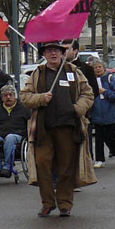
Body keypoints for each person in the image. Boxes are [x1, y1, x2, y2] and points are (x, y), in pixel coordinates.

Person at [20, 40, 95, 217]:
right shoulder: (38, 73)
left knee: (67, 166)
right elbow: (25, 96)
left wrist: (77, 108)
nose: (53, 54)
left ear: (62, 53)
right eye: (49, 51)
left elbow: (88, 94)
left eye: (56, 51)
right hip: (43, 129)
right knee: (42, 164)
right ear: (44, 55)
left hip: (69, 128)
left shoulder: (73, 72)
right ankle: (47, 203)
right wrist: (40, 99)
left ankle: (64, 203)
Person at [0, 84, 31, 178]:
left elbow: (31, 122)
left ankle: (7, 167)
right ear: (2, 97)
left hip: (18, 135)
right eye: (5, 95)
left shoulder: (24, 108)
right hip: (0, 134)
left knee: (10, 138)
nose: (8, 97)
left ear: (14, 96)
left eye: (10, 95)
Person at [89, 59, 115, 167]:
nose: (98, 69)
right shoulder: (91, 81)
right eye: (95, 67)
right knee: (99, 138)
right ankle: (100, 160)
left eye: (99, 67)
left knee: (110, 136)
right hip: (97, 114)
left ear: (104, 68)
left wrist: (105, 91)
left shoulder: (110, 78)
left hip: (110, 113)